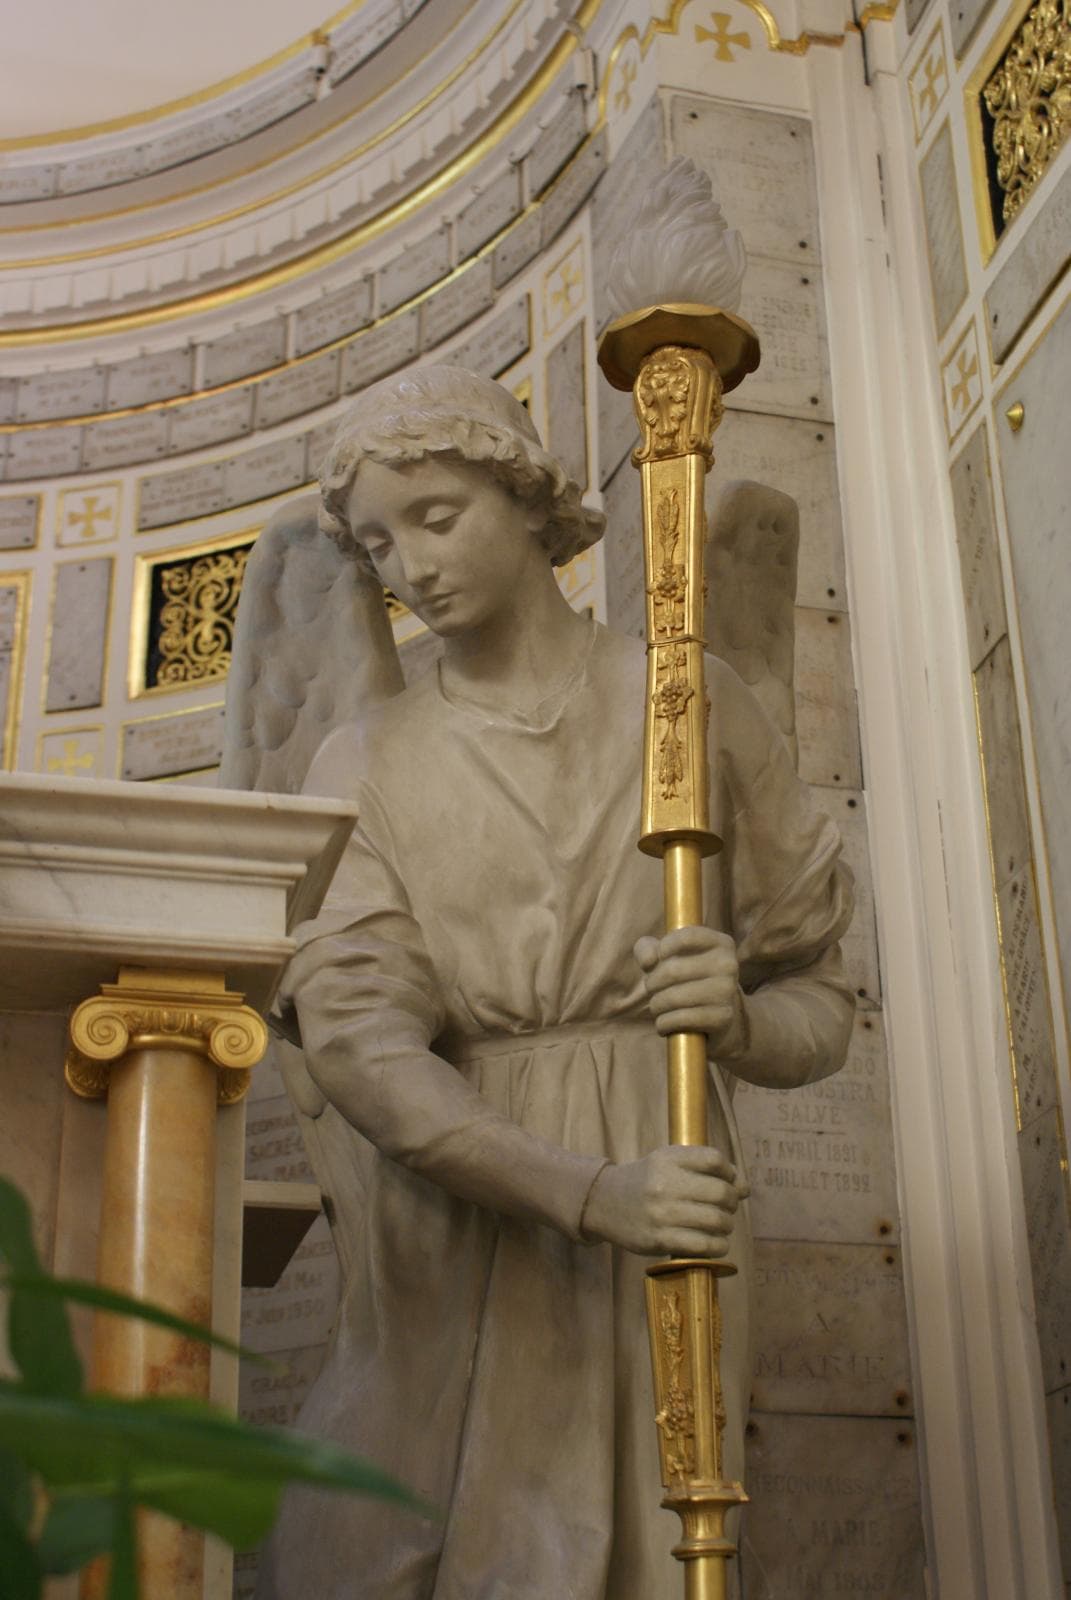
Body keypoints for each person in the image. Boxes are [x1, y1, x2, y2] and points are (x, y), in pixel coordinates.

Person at [255, 365, 854, 1599]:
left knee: (652, 1551)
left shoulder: (692, 705)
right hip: (467, 1216)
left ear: (532, 505)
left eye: (437, 516)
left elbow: (821, 1006)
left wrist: (736, 1015)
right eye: (378, 542)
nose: (411, 567)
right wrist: (589, 1191)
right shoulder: (364, 758)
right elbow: (363, 1055)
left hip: (671, 1189)